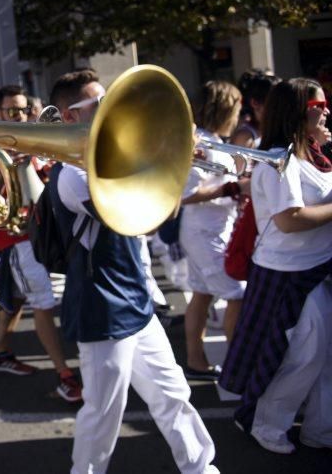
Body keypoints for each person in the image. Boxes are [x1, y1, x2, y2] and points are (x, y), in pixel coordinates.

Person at [50, 69, 218, 474]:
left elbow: (160, 201)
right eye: (97, 104)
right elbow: (140, 214)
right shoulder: (71, 175)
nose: (110, 108)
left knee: (173, 393)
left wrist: (183, 156)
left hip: (134, 302)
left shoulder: (112, 156)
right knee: (105, 413)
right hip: (101, 308)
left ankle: (202, 468)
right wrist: (171, 160)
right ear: (69, 117)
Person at [220, 77, 332, 454]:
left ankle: (320, 429)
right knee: (303, 354)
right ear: (300, 113)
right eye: (320, 106)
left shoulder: (313, 153)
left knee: (323, 353)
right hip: (288, 274)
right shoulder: (279, 159)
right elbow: (290, 219)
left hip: (315, 269)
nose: (327, 111)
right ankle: (265, 424)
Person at [0, 85, 82, 403]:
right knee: (43, 301)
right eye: (13, 110)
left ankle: (0, 351)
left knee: (16, 299)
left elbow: (46, 189)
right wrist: (9, 163)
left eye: (25, 109)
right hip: (17, 237)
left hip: (43, 232)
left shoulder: (36, 139)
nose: (21, 116)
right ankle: (64, 374)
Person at [180, 80, 246, 380]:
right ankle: (237, 368)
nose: (239, 115)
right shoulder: (201, 142)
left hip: (208, 230)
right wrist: (232, 187)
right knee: (237, 296)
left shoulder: (212, 140)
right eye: (236, 108)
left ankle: (196, 361)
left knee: (202, 294)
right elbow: (184, 195)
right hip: (205, 233)